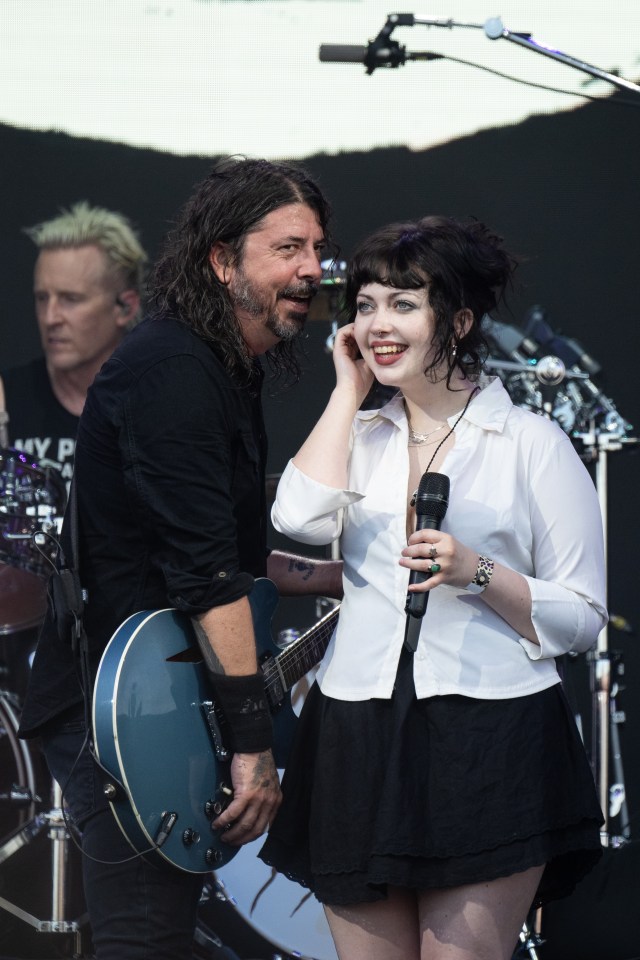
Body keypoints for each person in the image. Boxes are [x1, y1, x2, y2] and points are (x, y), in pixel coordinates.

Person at [18, 157, 343, 960]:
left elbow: (223, 551)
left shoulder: (221, 366)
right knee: (143, 937)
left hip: (165, 697)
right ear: (223, 260)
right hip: (127, 708)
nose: (311, 269)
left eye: (316, 248)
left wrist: (347, 577)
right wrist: (253, 745)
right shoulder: (173, 370)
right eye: (287, 248)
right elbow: (207, 579)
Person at [259, 216, 607, 960]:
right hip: (357, 731)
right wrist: (347, 394)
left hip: (490, 739)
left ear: (459, 318)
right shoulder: (359, 434)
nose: (379, 324)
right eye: (365, 304)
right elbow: (297, 517)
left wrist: (476, 573)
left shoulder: (530, 445)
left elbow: (582, 619)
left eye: (403, 304)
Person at [0, 201, 147, 484]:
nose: (50, 317)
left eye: (71, 299)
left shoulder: (157, 406)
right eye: (42, 298)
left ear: (125, 308)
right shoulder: (4, 402)